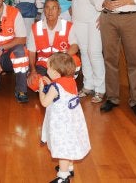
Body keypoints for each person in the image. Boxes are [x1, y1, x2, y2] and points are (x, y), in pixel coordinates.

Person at [39, 52, 91, 183]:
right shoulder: (71, 81)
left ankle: (63, 176)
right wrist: (51, 82)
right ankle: (69, 167)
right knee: (70, 144)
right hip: (72, 122)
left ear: (56, 73)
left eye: (48, 68)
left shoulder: (55, 87)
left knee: (63, 149)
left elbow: (45, 102)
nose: (47, 70)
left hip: (61, 125)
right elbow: (62, 90)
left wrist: (41, 89)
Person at [67, 0, 105, 102]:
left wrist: (104, 14)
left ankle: (100, 88)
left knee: (94, 52)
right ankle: (88, 85)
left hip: (95, 17)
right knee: (83, 51)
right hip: (78, 16)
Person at [27, 0, 80, 93]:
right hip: (43, 65)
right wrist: (33, 70)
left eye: (54, 8)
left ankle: (63, 84)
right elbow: (31, 52)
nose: (50, 11)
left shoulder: (68, 25)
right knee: (33, 82)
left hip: (61, 64)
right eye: (47, 8)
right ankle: (56, 85)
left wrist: (60, 59)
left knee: (75, 60)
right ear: (44, 10)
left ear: (59, 11)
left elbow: (75, 46)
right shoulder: (35, 27)